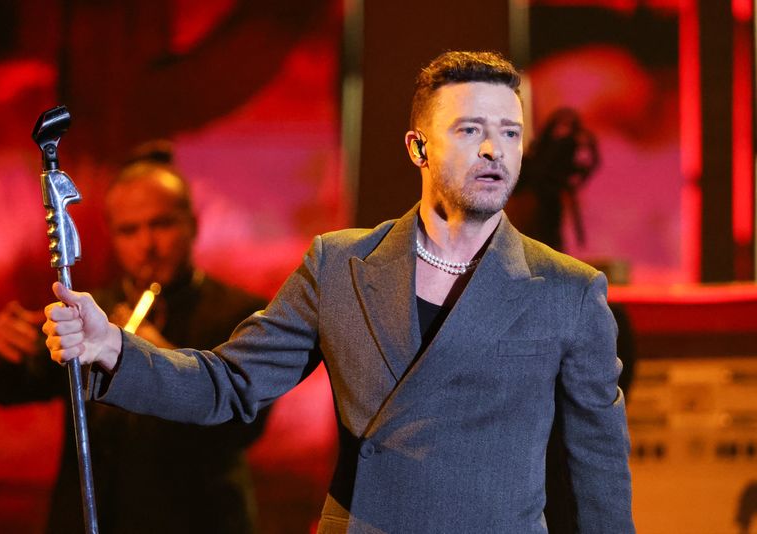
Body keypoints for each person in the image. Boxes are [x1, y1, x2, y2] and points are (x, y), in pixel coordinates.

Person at [43, 51, 634, 533]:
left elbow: (599, 470)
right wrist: (114, 348)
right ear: (417, 147)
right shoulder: (340, 265)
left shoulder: (569, 292)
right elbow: (229, 384)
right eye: (470, 129)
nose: (493, 149)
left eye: (510, 131)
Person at [0, 145, 268, 534]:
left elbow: (245, 425)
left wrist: (161, 359)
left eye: (162, 224)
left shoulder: (240, 312)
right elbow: (19, 386)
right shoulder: (94, 307)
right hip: (98, 514)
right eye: (129, 230)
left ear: (193, 223)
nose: (147, 245)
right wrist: (3, 350)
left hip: (198, 518)